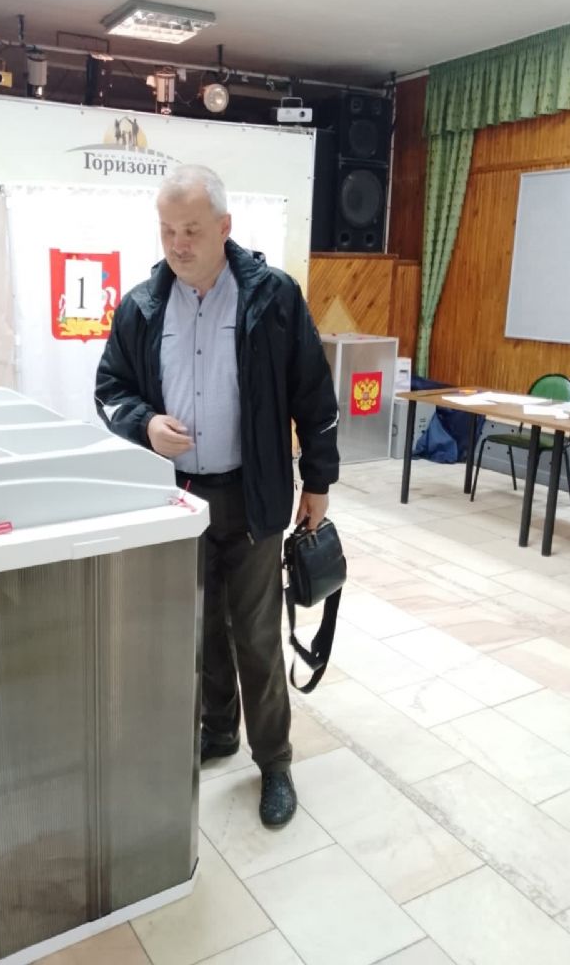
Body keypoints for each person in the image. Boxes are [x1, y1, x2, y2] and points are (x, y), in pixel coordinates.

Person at [95, 165, 339, 827]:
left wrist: (318, 480)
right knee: (198, 628)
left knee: (255, 636)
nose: (178, 244)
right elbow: (110, 389)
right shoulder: (142, 307)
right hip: (179, 501)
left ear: (225, 227)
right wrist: (145, 423)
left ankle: (275, 762)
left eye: (192, 230)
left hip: (252, 496)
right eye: (167, 230)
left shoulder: (273, 298)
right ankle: (219, 730)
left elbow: (314, 394)